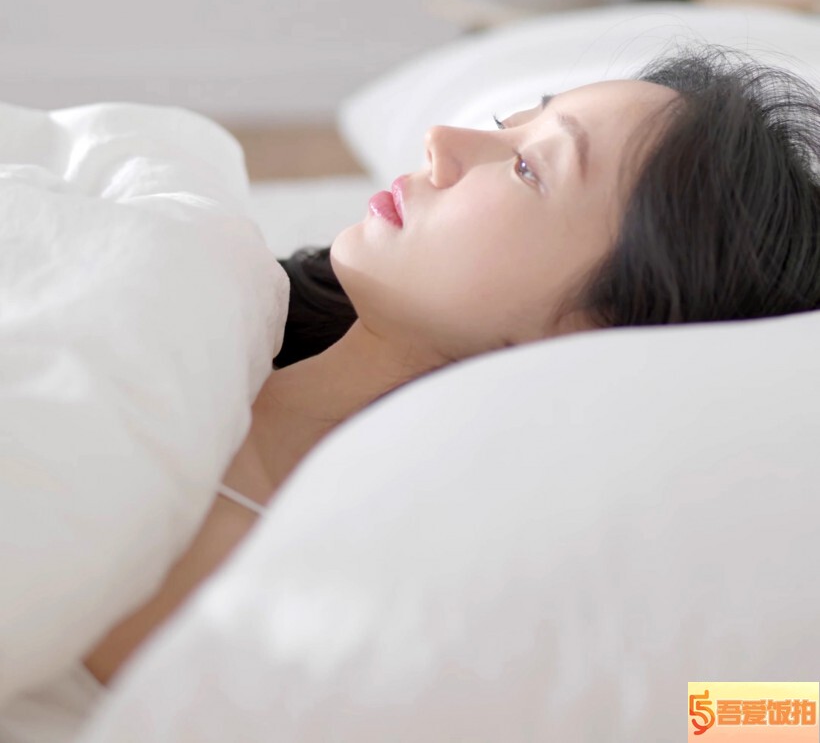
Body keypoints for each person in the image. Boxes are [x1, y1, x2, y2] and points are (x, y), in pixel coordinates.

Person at [81, 43, 820, 688]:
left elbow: (755, 714)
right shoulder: (200, 280)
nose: (442, 141)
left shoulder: (411, 617)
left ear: (606, 333)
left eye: (528, 168)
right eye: (510, 122)